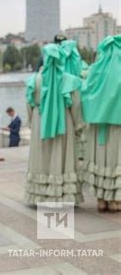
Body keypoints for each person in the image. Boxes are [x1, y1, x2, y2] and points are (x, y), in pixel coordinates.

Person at [25, 43, 84, 206]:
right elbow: (77, 106)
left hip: (40, 121)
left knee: (41, 157)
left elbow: (29, 105)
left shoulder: (34, 80)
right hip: (64, 122)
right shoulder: (70, 81)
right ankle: (62, 194)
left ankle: (41, 195)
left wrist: (32, 122)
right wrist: (78, 126)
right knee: (62, 156)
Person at [81, 35, 121, 212]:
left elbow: (84, 92)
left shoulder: (95, 71)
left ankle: (101, 200)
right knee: (116, 159)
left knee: (100, 159)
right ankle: (115, 200)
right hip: (118, 126)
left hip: (98, 128)